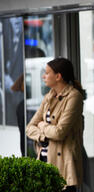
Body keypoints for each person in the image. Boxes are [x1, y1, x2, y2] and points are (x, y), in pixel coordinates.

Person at [26, 58, 86, 192]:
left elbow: (60, 132)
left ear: (58, 76)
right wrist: (43, 136)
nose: (43, 76)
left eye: (47, 73)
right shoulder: (49, 97)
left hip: (63, 165)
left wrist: (42, 125)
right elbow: (29, 128)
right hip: (44, 162)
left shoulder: (74, 97)